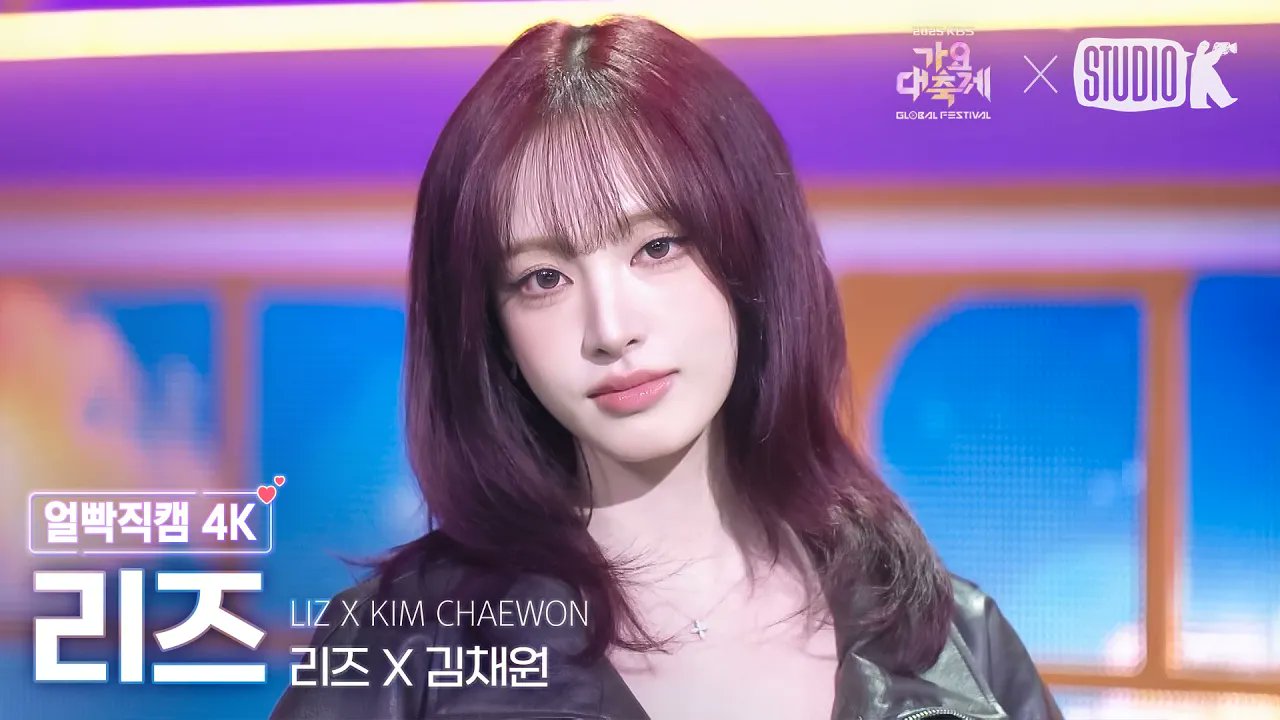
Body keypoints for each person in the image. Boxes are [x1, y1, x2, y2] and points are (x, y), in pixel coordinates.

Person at [271, 14, 1063, 720]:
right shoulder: (403, 651)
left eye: (657, 247)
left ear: (752, 257)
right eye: (542, 279)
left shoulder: (951, 641)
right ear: (492, 333)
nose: (611, 330)